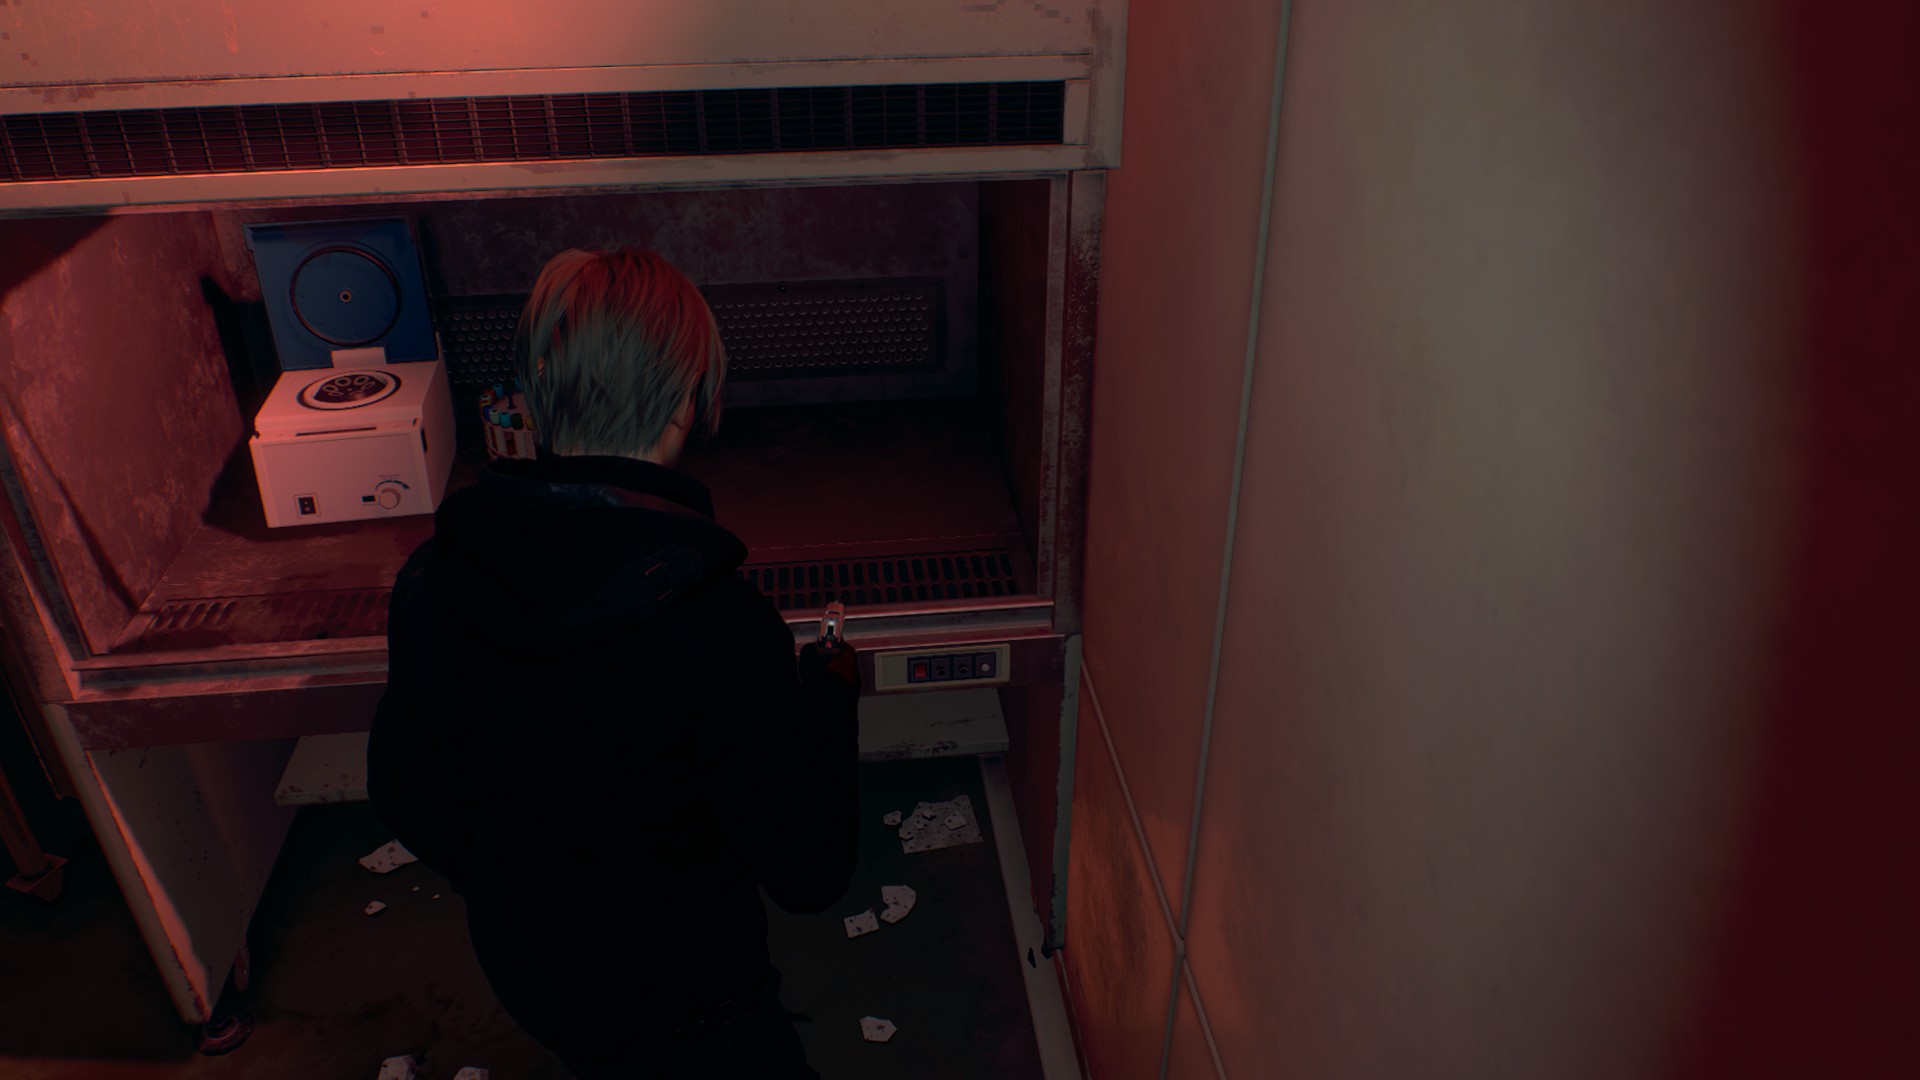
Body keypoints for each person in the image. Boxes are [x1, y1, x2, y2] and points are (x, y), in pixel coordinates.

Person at [366, 247, 861, 1078]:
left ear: (539, 389)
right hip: (699, 1004)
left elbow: (405, 792)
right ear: (686, 402)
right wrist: (833, 698)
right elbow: (810, 874)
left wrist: (515, 888)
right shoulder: (719, 624)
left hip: (540, 986)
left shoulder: (434, 578)